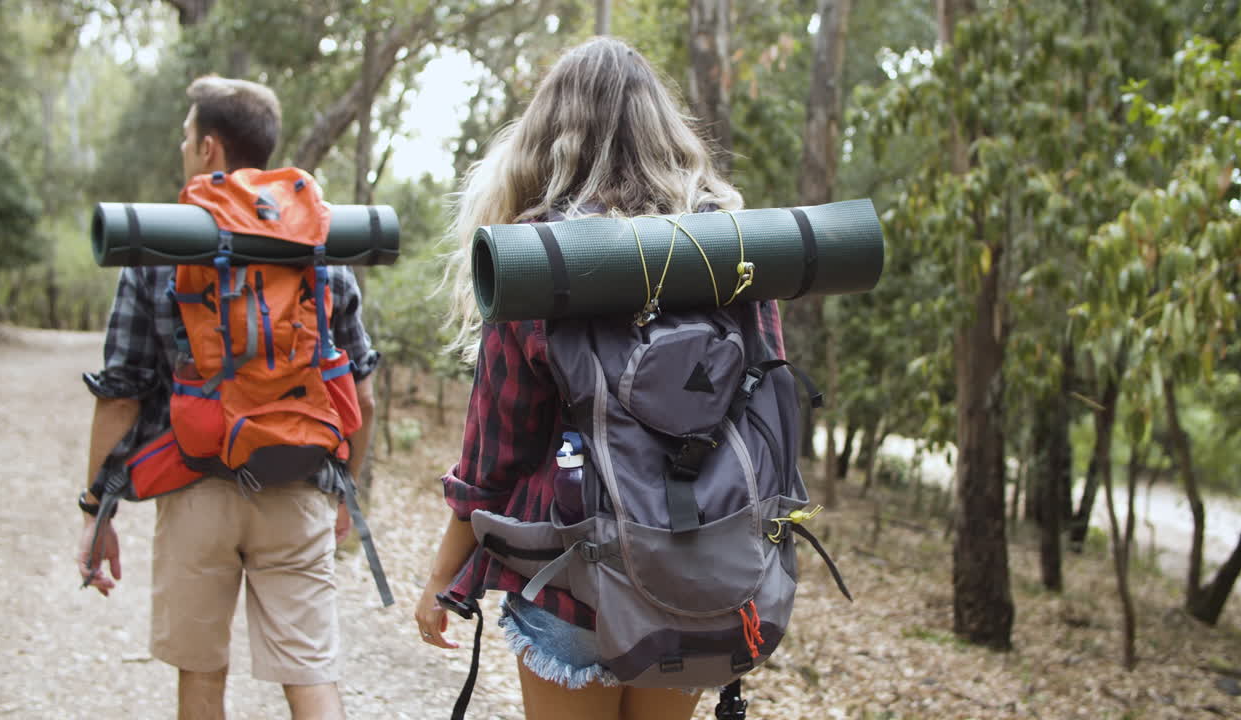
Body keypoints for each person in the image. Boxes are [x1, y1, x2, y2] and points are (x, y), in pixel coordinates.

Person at [415, 37, 783, 720]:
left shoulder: (538, 262)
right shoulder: (735, 253)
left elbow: (494, 452)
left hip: (572, 580)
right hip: (700, 578)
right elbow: (769, 418)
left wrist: (446, 578)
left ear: (548, 134)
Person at [74, 76, 378, 720]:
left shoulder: (157, 246)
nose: (183, 147)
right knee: (311, 675)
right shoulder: (319, 248)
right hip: (298, 483)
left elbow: (121, 397)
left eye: (187, 137)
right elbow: (364, 395)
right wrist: (346, 486)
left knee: (203, 679)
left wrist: (95, 507)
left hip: (196, 487)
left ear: (209, 148)